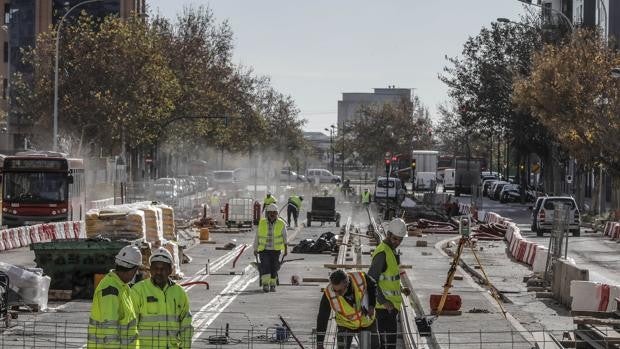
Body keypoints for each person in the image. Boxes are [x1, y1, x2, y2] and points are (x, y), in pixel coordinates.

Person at [131, 248, 193, 348]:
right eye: (155, 268)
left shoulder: (179, 292)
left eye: (163, 269)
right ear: (150, 269)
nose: (158, 272)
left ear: (170, 270)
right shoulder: (138, 291)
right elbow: (131, 326)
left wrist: (185, 347)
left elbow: (186, 325)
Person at [87, 245, 142, 348]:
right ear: (132, 270)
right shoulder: (111, 290)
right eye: (136, 271)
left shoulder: (122, 287)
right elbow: (110, 332)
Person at [368, 218, 410, 349]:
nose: (397, 242)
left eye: (400, 240)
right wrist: (384, 302)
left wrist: (402, 288)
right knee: (385, 345)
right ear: (388, 234)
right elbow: (371, 280)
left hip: (391, 309)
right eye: (395, 239)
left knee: (391, 345)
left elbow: (390, 277)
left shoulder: (391, 251)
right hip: (383, 309)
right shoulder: (382, 253)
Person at [316, 269, 380, 349]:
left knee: (374, 347)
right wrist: (320, 343)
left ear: (346, 283)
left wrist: (371, 305)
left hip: (367, 321)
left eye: (339, 291)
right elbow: (322, 317)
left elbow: (372, 286)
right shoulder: (329, 293)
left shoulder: (360, 278)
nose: (336, 293)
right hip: (345, 324)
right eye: (334, 290)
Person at [253, 203, 288, 292]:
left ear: (277, 213)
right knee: (265, 266)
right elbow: (257, 236)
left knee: (274, 267)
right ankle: (265, 284)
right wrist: (255, 248)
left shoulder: (281, 223)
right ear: (267, 214)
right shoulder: (262, 222)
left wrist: (286, 250)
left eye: (274, 212)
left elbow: (285, 237)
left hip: (276, 250)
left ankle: (272, 284)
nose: (272, 214)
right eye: (270, 212)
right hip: (264, 250)